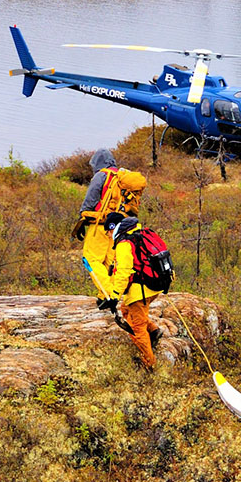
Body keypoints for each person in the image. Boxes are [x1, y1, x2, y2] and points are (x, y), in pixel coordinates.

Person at [102, 212, 163, 370]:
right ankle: (154, 331)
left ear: (113, 228)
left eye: (108, 232)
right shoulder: (139, 233)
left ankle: (149, 365)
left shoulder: (124, 243)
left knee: (137, 327)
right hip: (153, 285)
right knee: (126, 310)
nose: (108, 236)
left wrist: (114, 296)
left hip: (141, 290)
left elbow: (123, 272)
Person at [75, 148, 120, 300]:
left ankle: (108, 293)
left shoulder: (102, 176)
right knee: (110, 262)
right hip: (117, 228)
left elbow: (90, 201)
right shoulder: (121, 176)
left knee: (91, 259)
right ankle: (107, 294)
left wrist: (82, 220)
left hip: (100, 225)